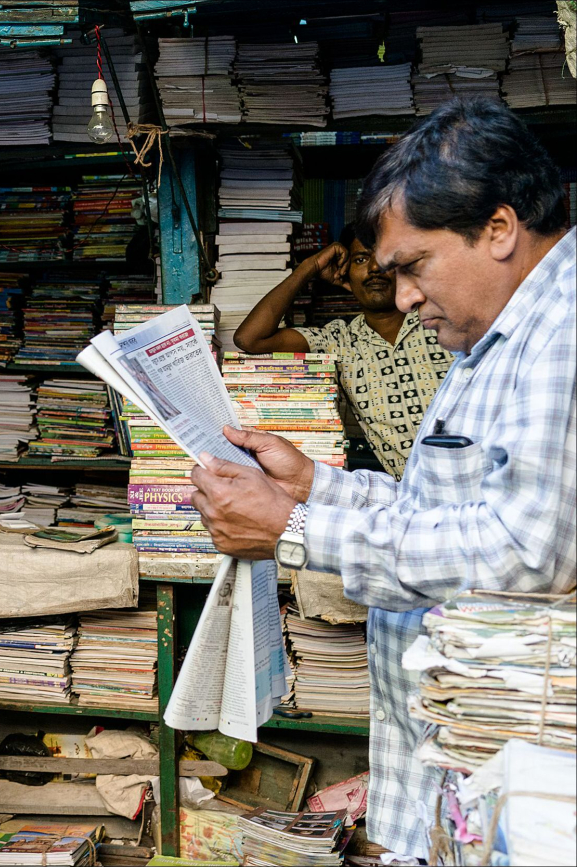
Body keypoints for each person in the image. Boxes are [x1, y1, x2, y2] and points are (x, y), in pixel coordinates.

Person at [189, 98, 575, 862]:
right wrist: (316, 487)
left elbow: (526, 551)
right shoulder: (498, 336)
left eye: (413, 267)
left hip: (517, 798)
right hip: (467, 776)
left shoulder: (563, 331)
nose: (402, 296)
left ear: (498, 229)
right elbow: (449, 509)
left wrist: (298, 531)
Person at [233, 223, 452, 479]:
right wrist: (309, 268)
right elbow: (249, 339)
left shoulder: (442, 321)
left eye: (384, 258)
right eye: (361, 259)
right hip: (415, 498)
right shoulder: (338, 340)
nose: (374, 268)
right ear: (345, 274)